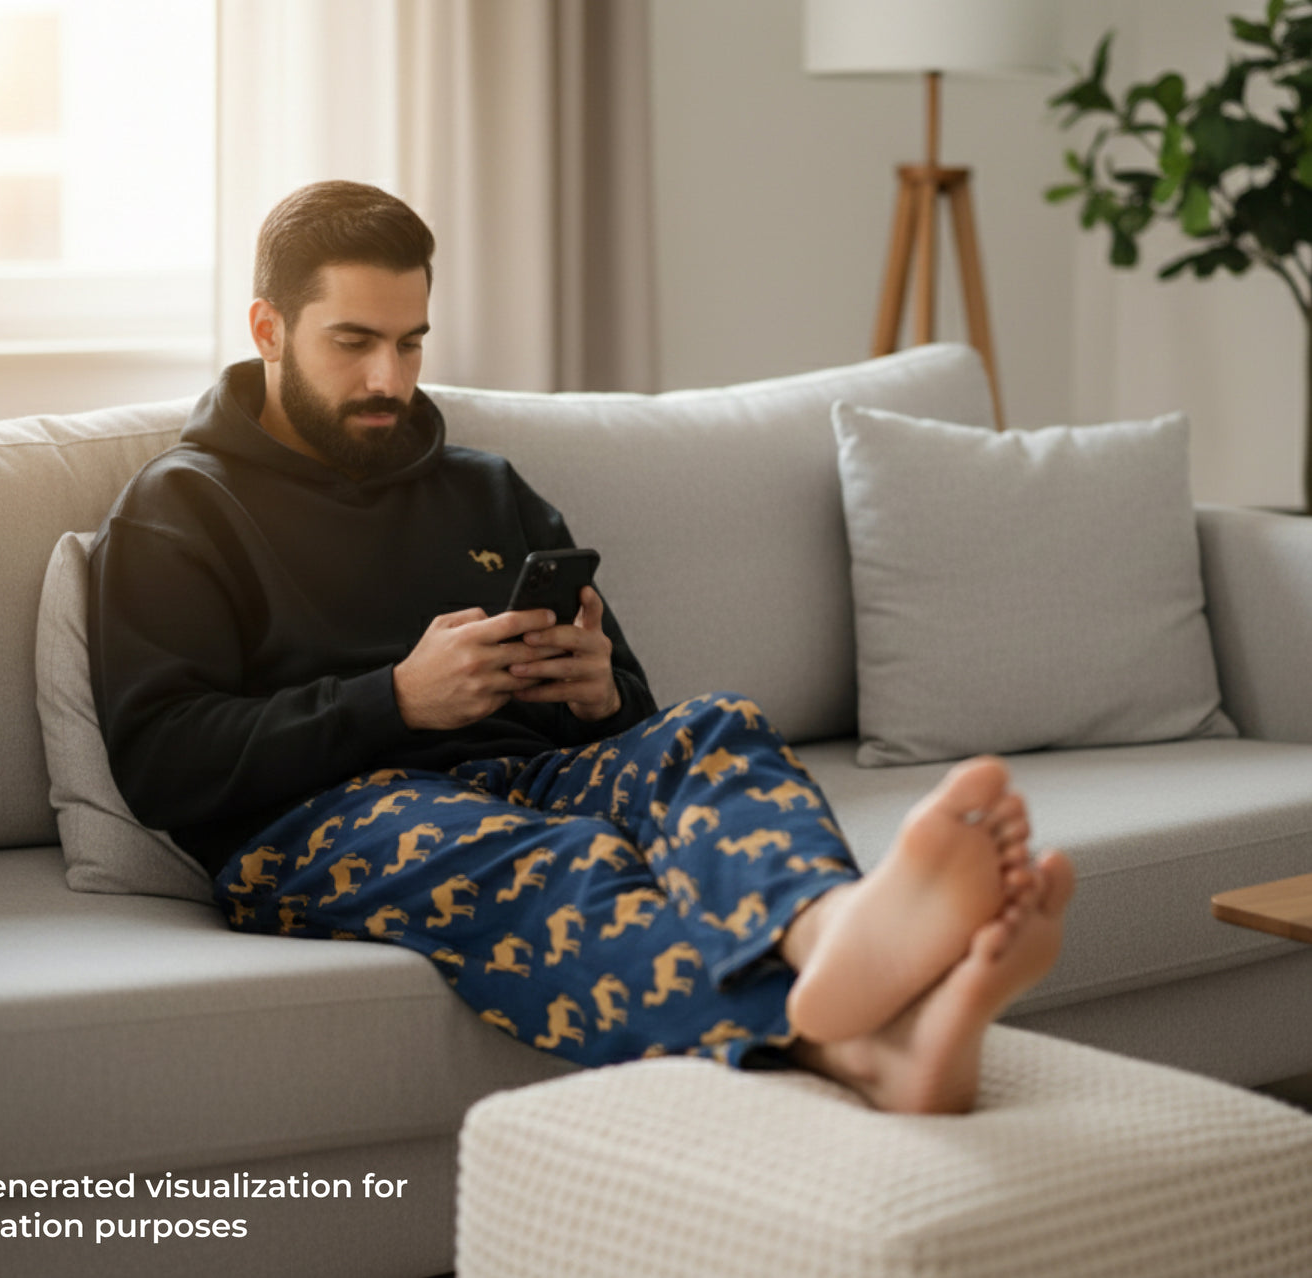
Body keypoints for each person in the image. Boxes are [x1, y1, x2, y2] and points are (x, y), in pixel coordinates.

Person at [88, 180, 1075, 1115]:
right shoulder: (182, 506)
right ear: (268, 329)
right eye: (352, 343)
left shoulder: (486, 490)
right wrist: (394, 700)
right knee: (565, 863)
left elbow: (632, 715)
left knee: (712, 731)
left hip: (528, 770)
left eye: (409, 343)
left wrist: (602, 696)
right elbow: (162, 761)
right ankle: (859, 1048)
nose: (387, 379)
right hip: (321, 823)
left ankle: (833, 938)